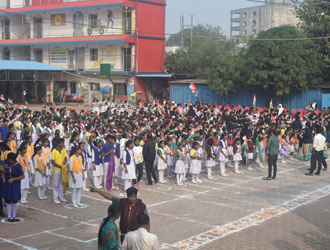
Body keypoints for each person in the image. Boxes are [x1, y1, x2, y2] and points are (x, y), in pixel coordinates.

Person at [0, 152, 25, 222]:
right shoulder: (7, 163)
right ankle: (9, 216)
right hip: (8, 185)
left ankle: (13, 216)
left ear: (11, 159)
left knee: (14, 200)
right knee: (8, 200)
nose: (7, 160)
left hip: (15, 185)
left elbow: (22, 176)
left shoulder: (18, 166)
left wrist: (14, 179)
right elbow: (6, 172)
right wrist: (2, 171)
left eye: (8, 159)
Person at [51, 138, 65, 204]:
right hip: (56, 170)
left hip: (62, 169)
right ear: (59, 143)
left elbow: (64, 157)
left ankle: (61, 196)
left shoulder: (62, 150)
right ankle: (55, 198)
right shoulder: (54, 151)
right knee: (55, 184)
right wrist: (59, 166)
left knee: (61, 184)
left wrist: (64, 162)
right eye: (62, 143)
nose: (63, 144)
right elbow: (52, 161)